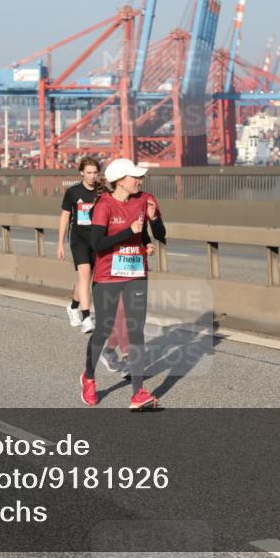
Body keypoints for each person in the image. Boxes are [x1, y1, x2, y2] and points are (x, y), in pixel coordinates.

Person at [81, 158, 166, 410]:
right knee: (103, 330)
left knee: (136, 330)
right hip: (107, 276)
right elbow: (98, 244)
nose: (139, 181)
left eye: (140, 177)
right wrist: (129, 231)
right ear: (119, 180)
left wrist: (152, 225)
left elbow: (161, 234)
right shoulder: (103, 205)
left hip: (136, 273)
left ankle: (138, 392)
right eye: (134, 177)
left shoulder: (145, 199)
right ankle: (88, 377)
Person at [58, 157, 104, 334]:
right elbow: (64, 217)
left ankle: (73, 306)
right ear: (81, 173)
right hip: (79, 240)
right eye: (89, 173)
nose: (92, 176)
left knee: (87, 278)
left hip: (97, 240)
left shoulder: (103, 193)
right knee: (85, 276)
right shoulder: (73, 192)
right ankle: (86, 317)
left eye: (95, 173)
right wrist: (60, 243)